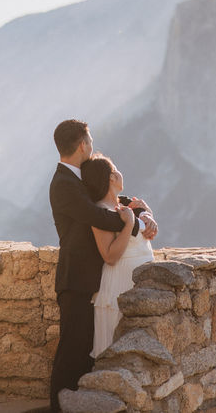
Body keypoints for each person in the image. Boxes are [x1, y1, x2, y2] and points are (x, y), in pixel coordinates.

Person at [48, 119, 157, 412]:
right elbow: (95, 214)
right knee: (71, 348)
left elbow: (107, 197)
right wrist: (132, 223)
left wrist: (142, 211)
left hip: (91, 277)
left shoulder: (78, 178)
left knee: (84, 351)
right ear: (83, 145)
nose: (92, 145)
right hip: (75, 278)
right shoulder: (62, 183)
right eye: (90, 140)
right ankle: (57, 406)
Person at [81, 153, 155, 357]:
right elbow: (110, 256)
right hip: (121, 281)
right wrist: (130, 224)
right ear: (111, 178)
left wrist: (147, 214)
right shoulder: (101, 212)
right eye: (116, 169)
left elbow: (144, 237)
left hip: (143, 281)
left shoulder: (124, 207)